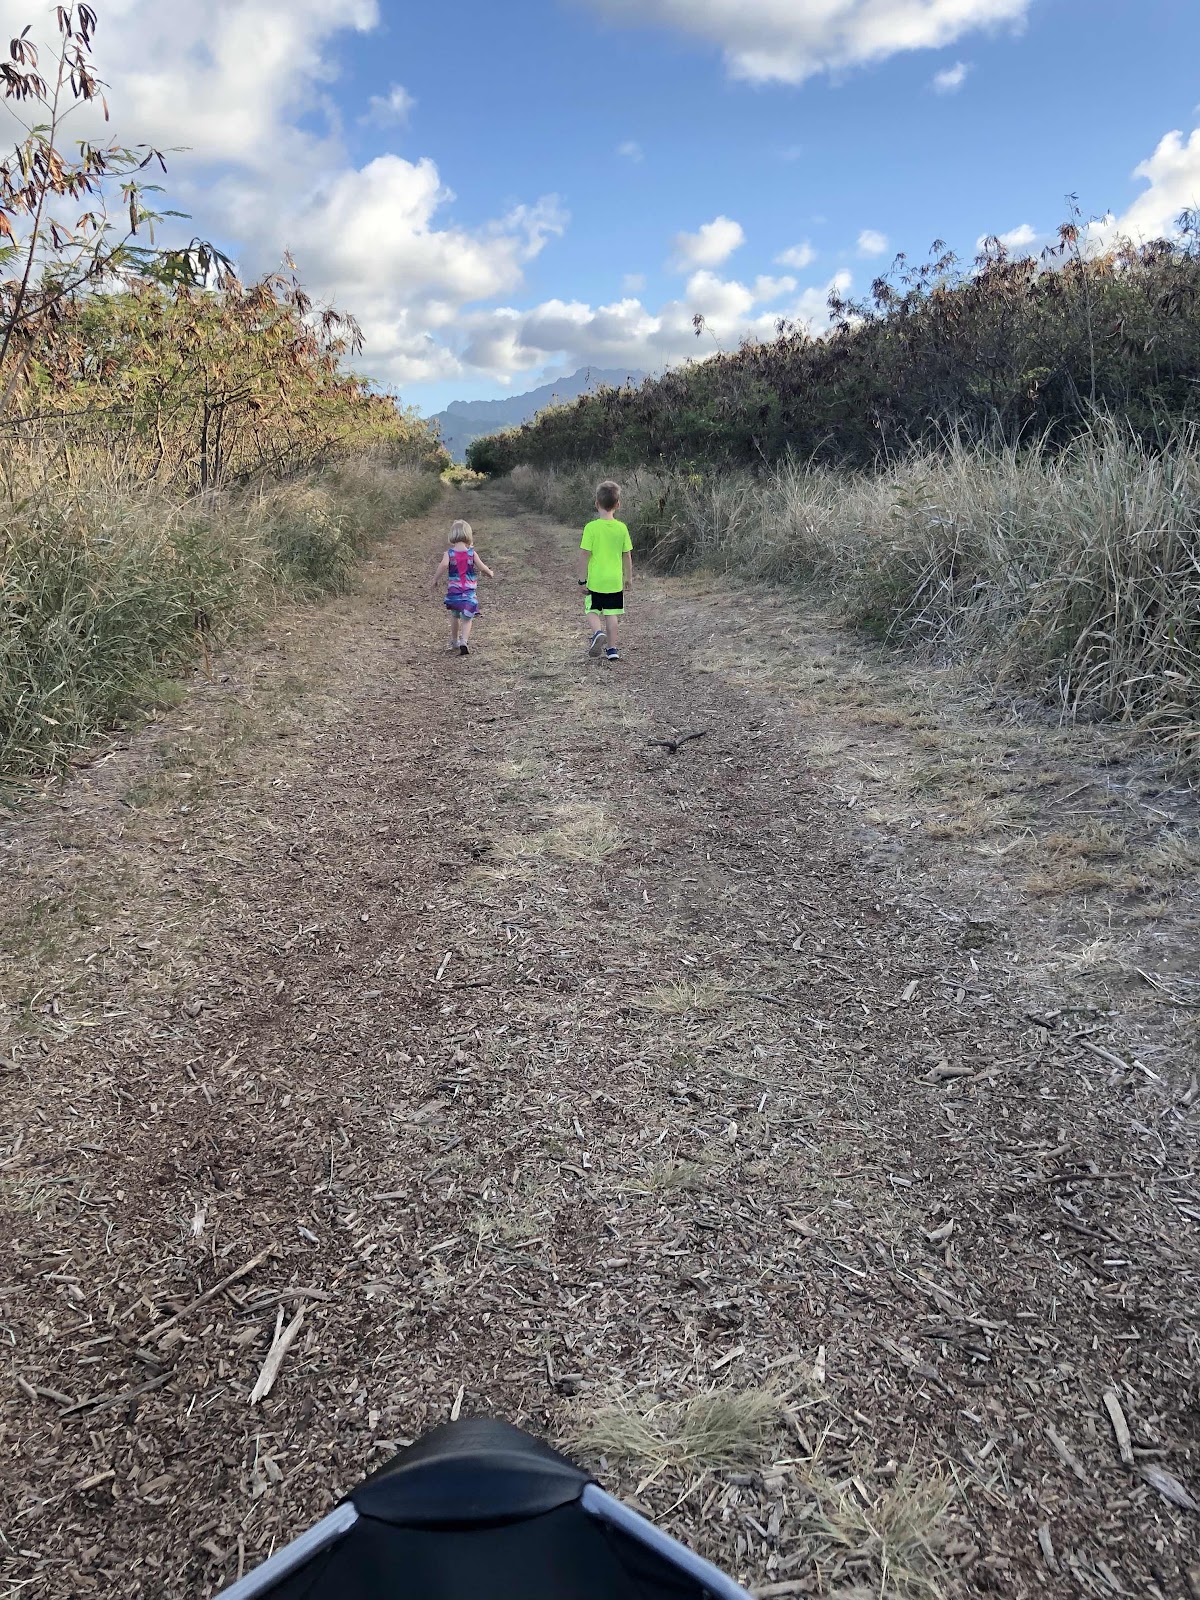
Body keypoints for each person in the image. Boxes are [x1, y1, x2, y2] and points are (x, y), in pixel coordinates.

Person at [578, 480, 632, 661]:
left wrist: (582, 579)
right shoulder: (622, 528)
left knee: (592, 609)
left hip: (596, 580)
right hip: (614, 580)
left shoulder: (591, 528)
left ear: (596, 503)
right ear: (618, 504)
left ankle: (597, 633)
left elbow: (584, 554)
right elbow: (627, 555)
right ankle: (612, 649)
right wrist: (628, 577)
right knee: (612, 613)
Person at [433, 520, 494, 656]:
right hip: (468, 593)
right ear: (468, 535)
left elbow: (443, 565)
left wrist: (435, 579)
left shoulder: (449, 553)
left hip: (454, 592)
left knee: (455, 615)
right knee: (467, 618)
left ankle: (454, 641)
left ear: (452, 535)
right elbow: (482, 567)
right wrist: (490, 573)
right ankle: (464, 641)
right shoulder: (472, 553)